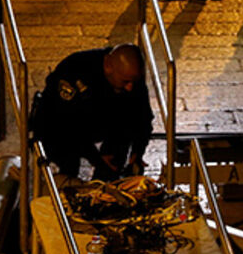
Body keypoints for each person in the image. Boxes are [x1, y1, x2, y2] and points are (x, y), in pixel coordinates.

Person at [30, 44, 153, 181]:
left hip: (94, 119)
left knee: (120, 142)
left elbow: (143, 116)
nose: (130, 87)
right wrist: (95, 158)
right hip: (58, 125)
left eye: (133, 82)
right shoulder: (75, 70)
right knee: (68, 164)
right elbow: (66, 125)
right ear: (108, 67)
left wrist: (138, 151)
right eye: (125, 82)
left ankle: (107, 186)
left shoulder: (130, 76)